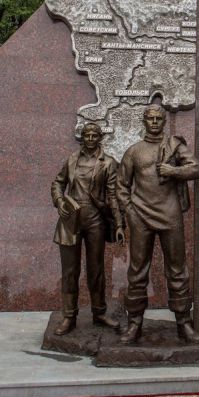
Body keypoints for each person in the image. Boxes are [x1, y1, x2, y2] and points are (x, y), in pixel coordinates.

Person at [116, 104, 199, 344]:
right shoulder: (134, 151)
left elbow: (196, 168)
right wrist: (130, 211)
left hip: (170, 215)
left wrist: (173, 171)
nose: (154, 122)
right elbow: (121, 185)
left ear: (164, 121)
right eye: (150, 118)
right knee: (137, 271)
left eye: (158, 119)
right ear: (144, 121)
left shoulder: (175, 146)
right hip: (140, 216)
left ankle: (183, 322)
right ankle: (134, 323)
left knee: (177, 269)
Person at [51, 121, 125, 335]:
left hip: (95, 220)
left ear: (100, 138)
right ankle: (69, 316)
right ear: (81, 138)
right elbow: (58, 183)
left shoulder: (108, 163)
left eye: (94, 135)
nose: (90, 139)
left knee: (96, 269)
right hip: (70, 220)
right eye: (87, 135)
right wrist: (59, 200)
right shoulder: (71, 160)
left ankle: (99, 312)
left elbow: (113, 196)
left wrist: (119, 224)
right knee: (69, 270)